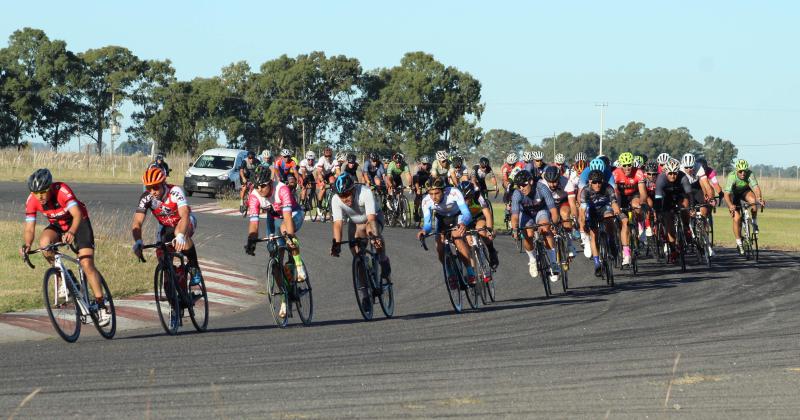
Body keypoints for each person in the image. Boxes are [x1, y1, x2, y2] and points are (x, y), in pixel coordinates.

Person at [22, 169, 110, 325]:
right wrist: (27, 244)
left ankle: (101, 304)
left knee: (86, 263)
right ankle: (65, 277)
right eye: (36, 193)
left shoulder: (62, 190)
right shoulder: (32, 199)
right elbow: (30, 228)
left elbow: (77, 214)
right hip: (57, 225)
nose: (40, 197)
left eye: (43, 192)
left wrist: (71, 232)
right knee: (44, 245)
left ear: (49, 188)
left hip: (79, 222)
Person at [243, 167, 306, 317]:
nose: (260, 189)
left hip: (293, 214)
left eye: (263, 185)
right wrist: (251, 240)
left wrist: (290, 236)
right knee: (275, 257)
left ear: (270, 182)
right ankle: (285, 296)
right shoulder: (254, 195)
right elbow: (254, 222)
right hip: (274, 220)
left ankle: (298, 264)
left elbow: (287, 217)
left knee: (286, 231)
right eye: (257, 186)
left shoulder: (281, 189)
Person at [329, 174, 393, 310]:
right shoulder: (336, 199)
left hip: (373, 218)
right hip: (355, 222)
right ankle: (365, 295)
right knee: (357, 257)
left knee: (372, 233)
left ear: (353, 190)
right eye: (342, 195)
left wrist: (375, 237)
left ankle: (383, 259)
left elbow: (371, 219)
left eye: (347, 194)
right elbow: (338, 224)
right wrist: (336, 244)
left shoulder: (365, 192)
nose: (345, 199)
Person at [132, 167, 204, 287]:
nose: (152, 191)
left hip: (185, 221)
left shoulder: (175, 191)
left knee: (179, 234)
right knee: (162, 256)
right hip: (166, 226)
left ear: (163, 183)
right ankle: (174, 283)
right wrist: (138, 241)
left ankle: (194, 267)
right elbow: (137, 222)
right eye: (148, 188)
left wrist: (181, 235)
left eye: (155, 187)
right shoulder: (146, 198)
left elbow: (184, 214)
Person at [416, 177, 477, 286]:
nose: (433, 197)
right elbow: (428, 223)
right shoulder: (426, 201)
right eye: (431, 194)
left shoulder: (454, 193)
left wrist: (463, 223)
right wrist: (424, 231)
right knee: (439, 247)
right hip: (441, 219)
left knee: (457, 238)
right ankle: (450, 273)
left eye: (436, 193)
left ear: (443, 190)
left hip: (458, 216)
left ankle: (470, 272)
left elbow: (466, 213)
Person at [510, 170, 560, 282]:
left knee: (545, 228)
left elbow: (553, 211)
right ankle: (532, 259)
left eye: (524, 184)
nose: (521, 188)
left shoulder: (542, 188)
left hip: (541, 211)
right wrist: (514, 230)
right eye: (519, 186)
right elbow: (515, 216)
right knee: (528, 233)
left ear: (531, 182)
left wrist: (554, 224)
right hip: (526, 215)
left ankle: (553, 262)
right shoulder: (517, 194)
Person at [579, 169, 622, 276]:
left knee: (609, 218)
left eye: (599, 182)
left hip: (605, 208)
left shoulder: (608, 187)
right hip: (592, 210)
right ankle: (597, 264)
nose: (597, 185)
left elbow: (613, 202)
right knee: (593, 235)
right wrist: (582, 223)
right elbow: (582, 210)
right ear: (590, 182)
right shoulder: (585, 191)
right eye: (594, 182)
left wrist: (617, 210)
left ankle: (611, 241)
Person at [611, 152, 649, 268]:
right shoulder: (615, 174)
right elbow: (615, 193)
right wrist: (617, 206)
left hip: (634, 195)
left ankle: (640, 227)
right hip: (620, 197)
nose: (627, 167)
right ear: (621, 165)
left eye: (629, 165)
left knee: (637, 207)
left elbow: (643, 193)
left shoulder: (638, 172)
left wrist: (641, 204)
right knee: (625, 223)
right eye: (625, 165)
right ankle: (626, 254)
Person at [722, 159, 766, 255]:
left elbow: (756, 188)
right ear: (736, 170)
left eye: (744, 171)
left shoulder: (750, 174)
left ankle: (754, 222)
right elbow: (726, 194)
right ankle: (739, 242)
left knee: (753, 201)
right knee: (737, 219)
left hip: (745, 191)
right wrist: (730, 205)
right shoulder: (732, 176)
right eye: (740, 171)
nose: (743, 173)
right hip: (733, 194)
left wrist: (759, 198)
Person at [654, 159, 694, 263]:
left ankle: (686, 227)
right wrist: (658, 211)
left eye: (675, 173)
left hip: (680, 195)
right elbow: (658, 198)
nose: (673, 176)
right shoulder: (661, 178)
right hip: (666, 197)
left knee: (685, 205)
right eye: (670, 173)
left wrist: (691, 207)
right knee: (669, 223)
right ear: (666, 172)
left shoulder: (683, 177)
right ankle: (673, 250)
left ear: (678, 172)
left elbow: (689, 194)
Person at [458, 180, 499, 268]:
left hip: (479, 217)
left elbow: (487, 214)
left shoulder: (478, 196)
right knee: (468, 244)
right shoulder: (457, 201)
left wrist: (489, 229)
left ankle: (491, 251)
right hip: (466, 221)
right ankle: (473, 272)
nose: (464, 202)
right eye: (462, 199)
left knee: (481, 231)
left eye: (467, 198)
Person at [541, 165, 578, 258]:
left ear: (559, 178)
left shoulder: (566, 182)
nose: (552, 185)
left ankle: (570, 245)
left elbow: (573, 204)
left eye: (555, 182)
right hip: (549, 204)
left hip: (563, 201)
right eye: (550, 182)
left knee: (565, 214)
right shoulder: (542, 184)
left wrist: (574, 218)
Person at [412, 156, 433, 222]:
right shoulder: (417, 168)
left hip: (426, 181)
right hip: (418, 182)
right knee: (418, 196)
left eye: (427, 164)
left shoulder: (431, 167)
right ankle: (415, 211)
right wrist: (418, 189)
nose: (425, 165)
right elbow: (415, 179)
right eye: (424, 164)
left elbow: (432, 177)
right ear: (421, 163)